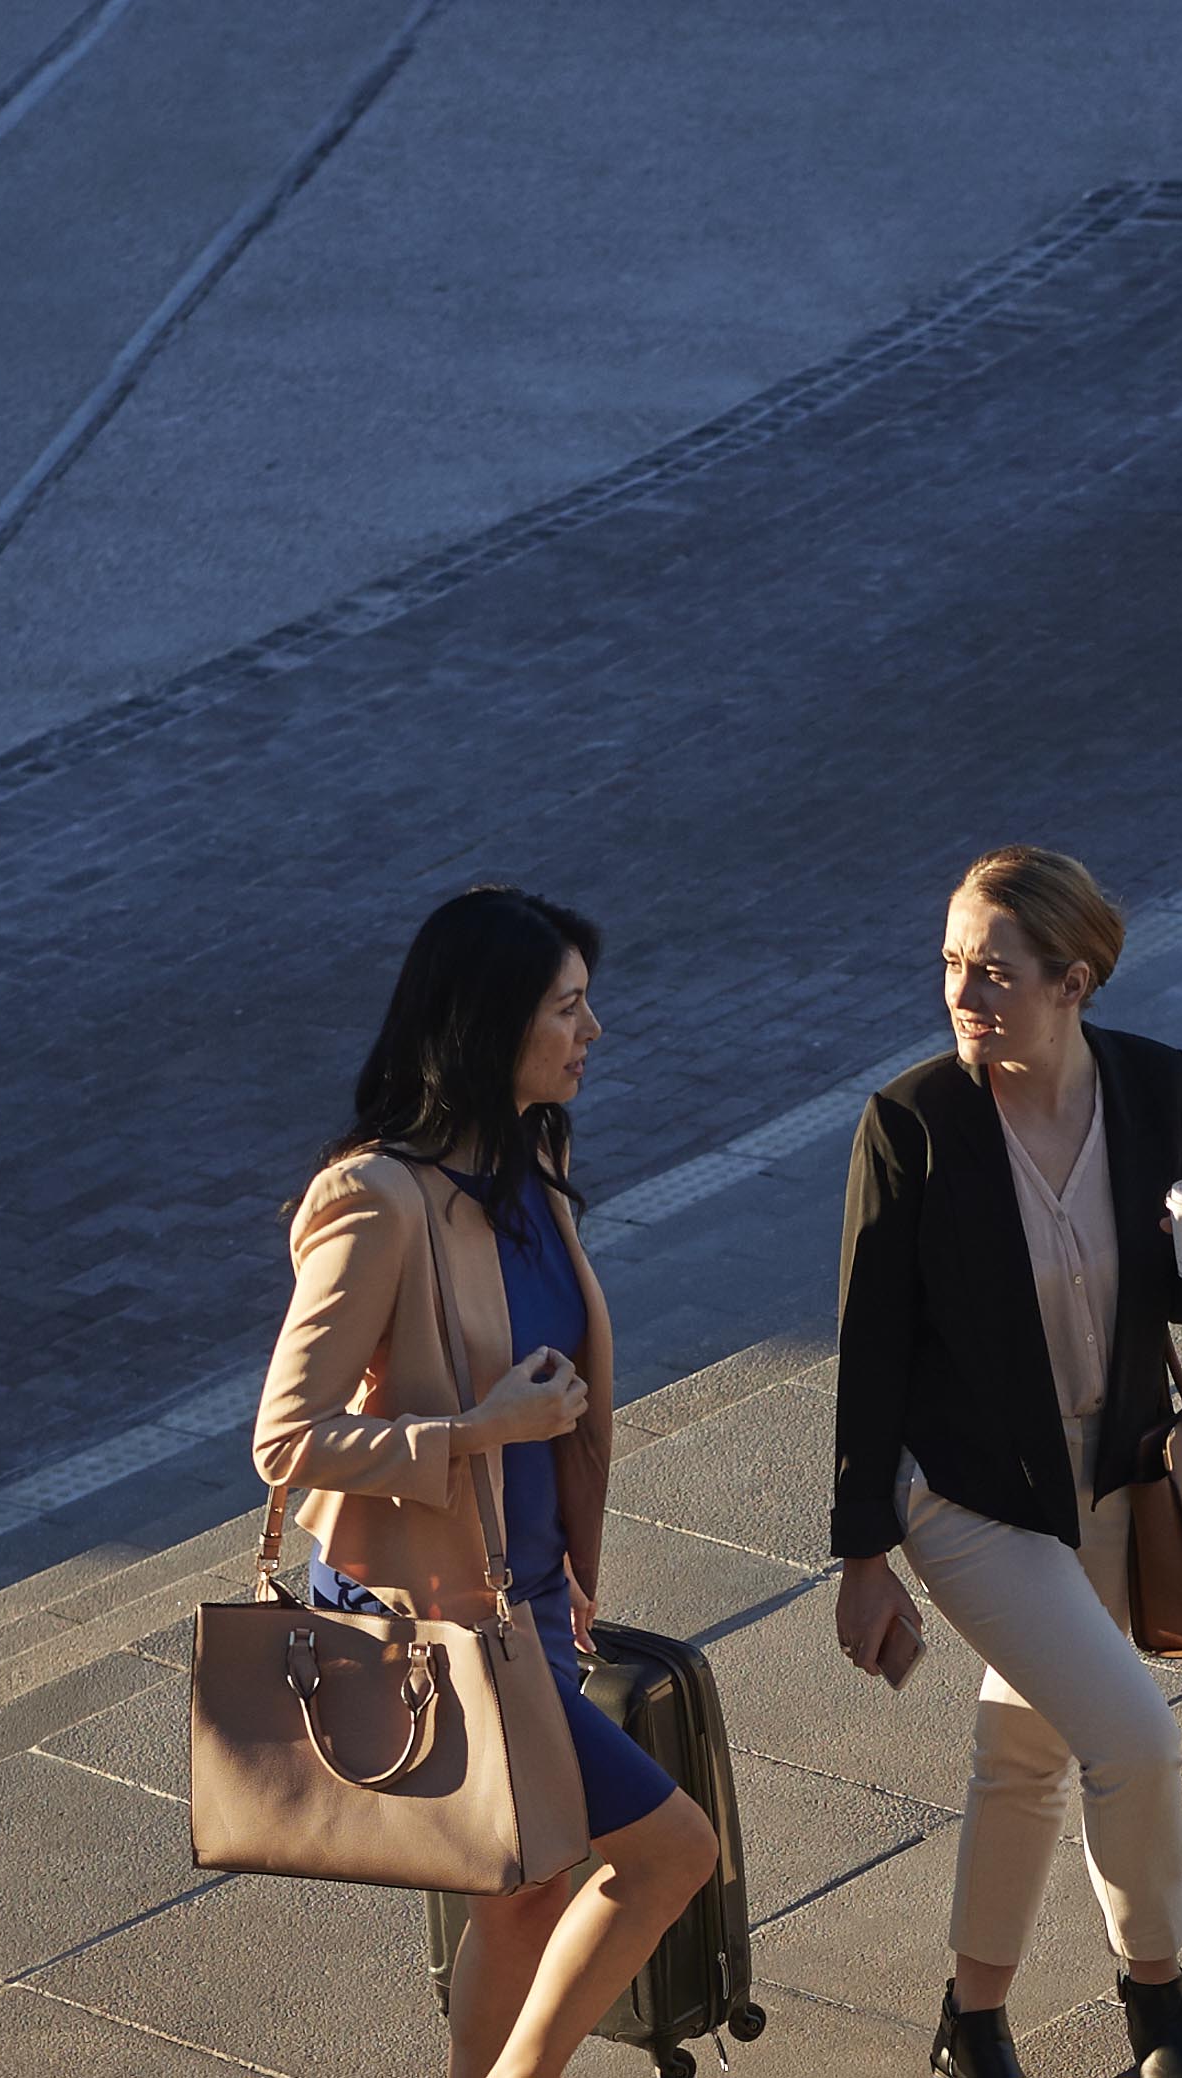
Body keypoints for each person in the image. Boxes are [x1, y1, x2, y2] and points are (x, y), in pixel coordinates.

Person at [248, 887, 721, 2078]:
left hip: (524, 1600)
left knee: (525, 1887)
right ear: (491, 1024)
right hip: (438, 1617)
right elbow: (284, 1437)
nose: (591, 1030)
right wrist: (474, 1427)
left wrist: (562, 1554)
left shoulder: (528, 1164)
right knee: (670, 1852)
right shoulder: (376, 1199)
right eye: (567, 1007)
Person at [824, 847, 1182, 2078]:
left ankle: (973, 2021)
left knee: (1024, 1749)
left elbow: (1165, 1300)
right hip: (968, 1494)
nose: (964, 990)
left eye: (994, 971)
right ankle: (1159, 2003)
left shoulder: (1153, 1084)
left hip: (1112, 1470)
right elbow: (869, 1348)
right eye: (953, 961)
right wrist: (863, 1553)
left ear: (1074, 982)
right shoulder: (914, 1123)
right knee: (1134, 1740)